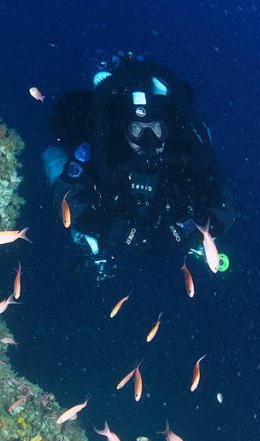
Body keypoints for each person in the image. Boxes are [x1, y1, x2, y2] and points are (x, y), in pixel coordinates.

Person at [42, 52, 235, 278]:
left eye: (156, 129)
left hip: (174, 223)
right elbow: (64, 195)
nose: (148, 141)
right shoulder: (106, 149)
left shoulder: (185, 153)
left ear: (167, 129)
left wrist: (182, 234)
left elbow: (225, 208)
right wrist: (115, 232)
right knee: (53, 157)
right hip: (110, 221)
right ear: (124, 129)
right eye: (137, 129)